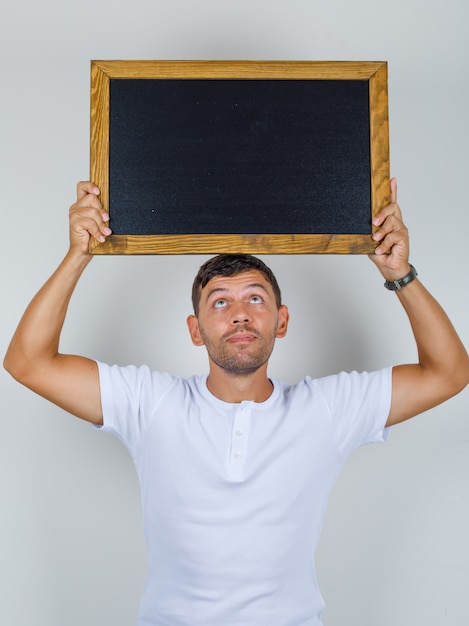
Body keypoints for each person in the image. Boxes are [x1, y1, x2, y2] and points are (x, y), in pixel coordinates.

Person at [4, 178, 469, 626]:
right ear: (195, 329)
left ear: (281, 322)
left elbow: (449, 373)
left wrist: (398, 273)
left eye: (255, 298)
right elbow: (27, 362)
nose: (241, 313)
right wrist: (77, 254)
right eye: (220, 302)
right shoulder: (150, 403)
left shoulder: (327, 408)